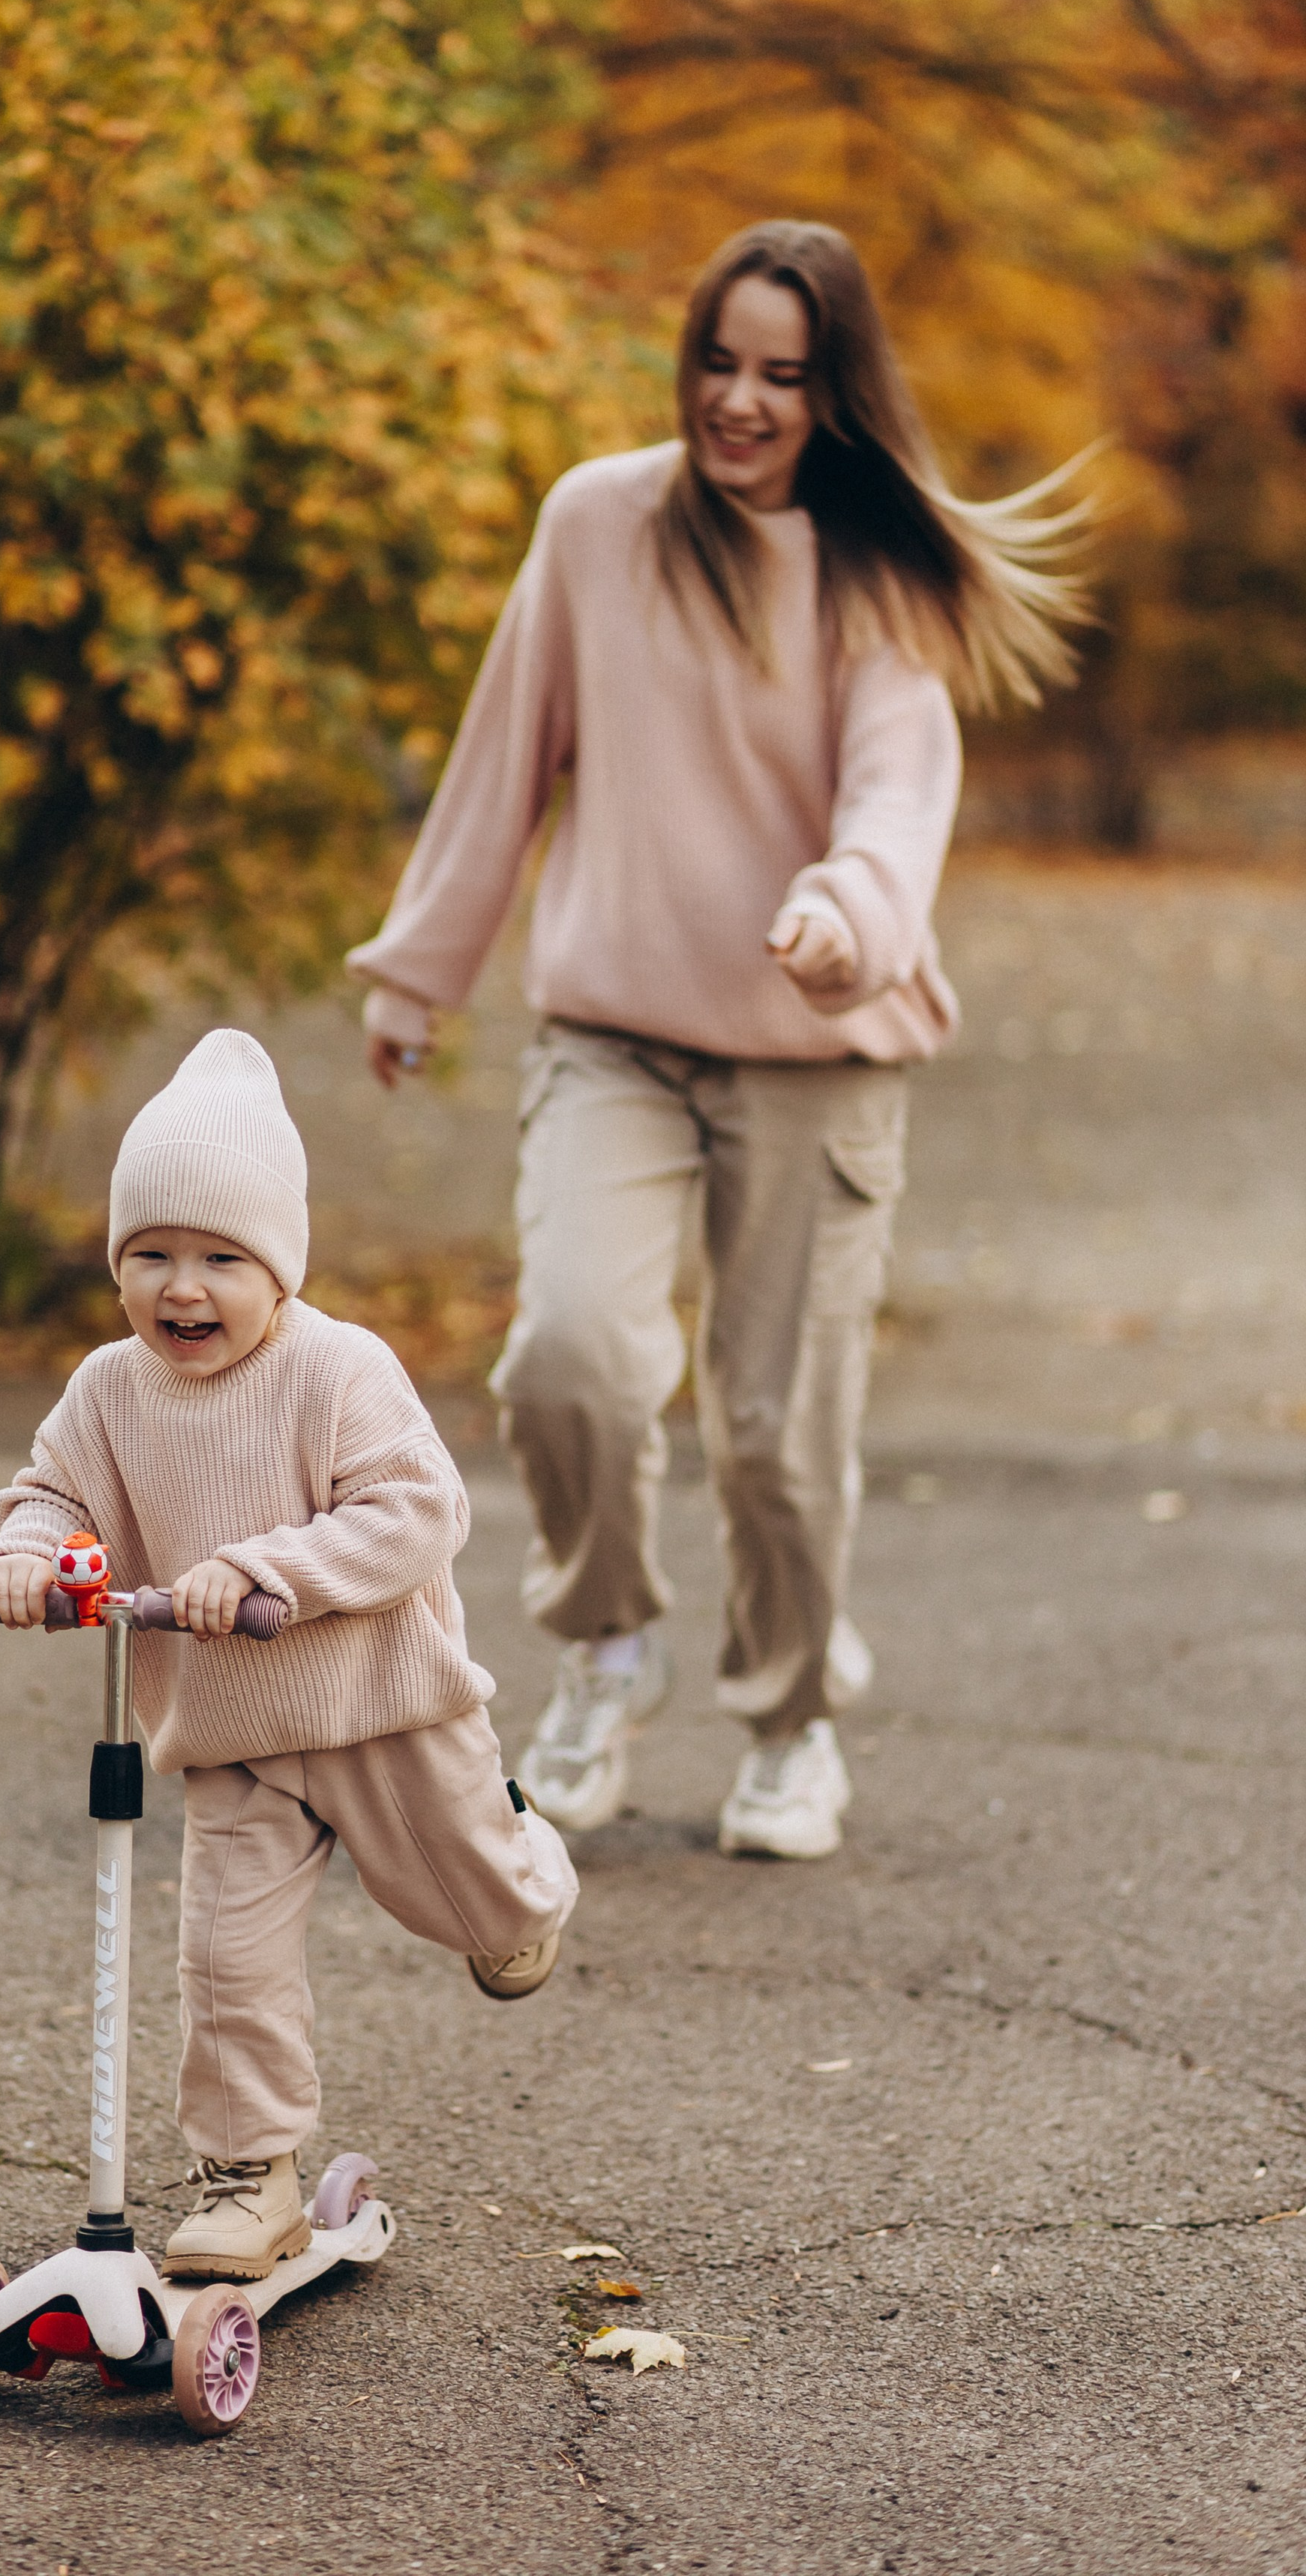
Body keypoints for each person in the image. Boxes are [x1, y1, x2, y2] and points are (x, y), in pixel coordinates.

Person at [347, 219, 1090, 1859]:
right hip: (616, 1034)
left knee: (777, 1430)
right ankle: (607, 1650)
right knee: (572, 1360)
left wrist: (848, 921)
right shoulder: (599, 523)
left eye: (783, 375)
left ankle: (793, 1721)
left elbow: (899, 801)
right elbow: (505, 755)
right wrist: (421, 975)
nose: (739, 402)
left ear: (837, 396)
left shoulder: (878, 578)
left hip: (818, 1056)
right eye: (719, 363)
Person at [0, 1028, 577, 2283]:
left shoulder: (337, 1369)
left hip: (383, 1712)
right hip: (230, 1732)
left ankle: (527, 1861)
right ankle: (251, 2176)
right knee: (227, 1964)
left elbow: (421, 1513)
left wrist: (265, 1569)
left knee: (476, 1912)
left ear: (280, 1270)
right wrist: (23, 1558)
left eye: (219, 1259)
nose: (181, 1289)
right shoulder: (107, 1389)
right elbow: (49, 1494)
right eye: (150, 1257)